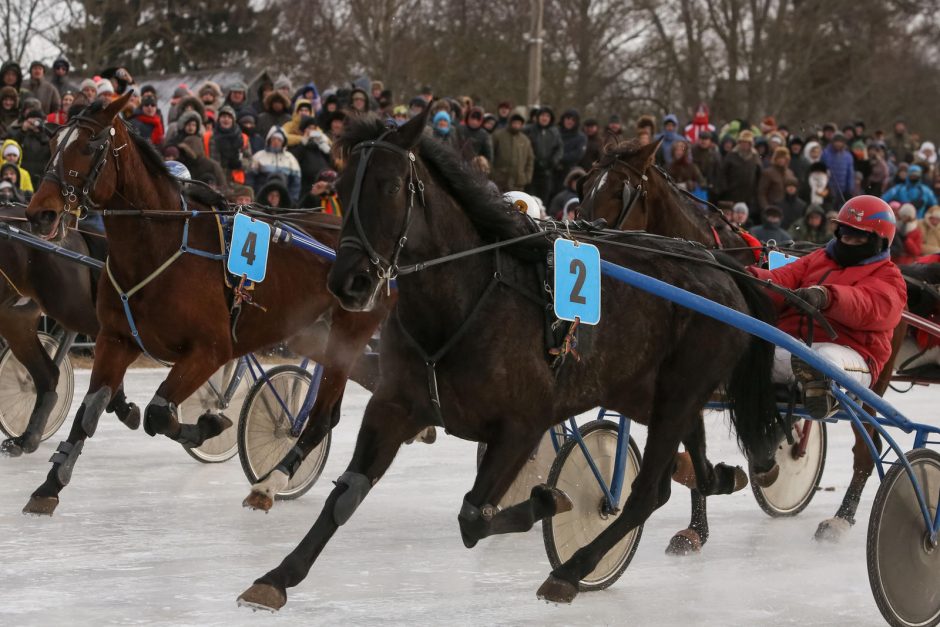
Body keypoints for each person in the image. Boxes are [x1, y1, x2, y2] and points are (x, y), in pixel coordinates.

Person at [748, 195, 906, 426]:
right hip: (796, 346)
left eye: (858, 236)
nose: (849, 241)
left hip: (850, 354)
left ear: (879, 241)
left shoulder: (889, 276)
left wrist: (827, 296)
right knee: (747, 351)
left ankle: (825, 396)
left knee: (822, 362)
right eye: (845, 233)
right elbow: (779, 280)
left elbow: (867, 305)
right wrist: (745, 277)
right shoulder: (819, 258)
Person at [250, 126, 301, 203]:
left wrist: (293, 198)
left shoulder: (290, 158)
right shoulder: (259, 156)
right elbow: (250, 177)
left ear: (283, 142)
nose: (276, 141)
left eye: (279, 140)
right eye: (273, 139)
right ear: (269, 140)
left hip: (283, 198)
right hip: (261, 198)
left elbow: (296, 182)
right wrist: (254, 195)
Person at [721, 130, 762, 223]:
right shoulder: (731, 155)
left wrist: (756, 192)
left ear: (750, 144)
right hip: (732, 192)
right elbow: (723, 173)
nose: (744, 145)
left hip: (749, 194)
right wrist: (725, 188)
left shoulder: (755, 157)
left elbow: (759, 175)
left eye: (747, 143)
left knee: (745, 220)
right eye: (742, 142)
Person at [205, 105, 251, 186]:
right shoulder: (208, 137)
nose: (226, 119)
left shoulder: (243, 138)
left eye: (229, 117)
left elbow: (249, 161)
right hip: (214, 180)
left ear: (233, 120)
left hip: (236, 182)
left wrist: (240, 164)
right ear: (219, 119)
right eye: (223, 117)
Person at [525, 106, 563, 203]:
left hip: (547, 172)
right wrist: (534, 160)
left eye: (547, 116)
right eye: (542, 115)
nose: (544, 118)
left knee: (544, 200)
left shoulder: (554, 132)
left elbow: (559, 148)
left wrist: (553, 161)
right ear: (538, 117)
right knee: (530, 198)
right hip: (531, 171)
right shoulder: (528, 129)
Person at [491, 113, 534, 192]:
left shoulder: (525, 140)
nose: (516, 125)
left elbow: (530, 160)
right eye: (514, 123)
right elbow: (490, 156)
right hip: (500, 181)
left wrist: (527, 177)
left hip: (518, 183)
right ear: (510, 123)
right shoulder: (498, 136)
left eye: (519, 124)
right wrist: (492, 173)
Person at [758, 146, 796, 211]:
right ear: (775, 159)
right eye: (779, 157)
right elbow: (761, 193)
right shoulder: (768, 173)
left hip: (787, 208)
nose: (781, 160)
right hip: (772, 207)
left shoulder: (790, 173)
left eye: (783, 158)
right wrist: (766, 208)